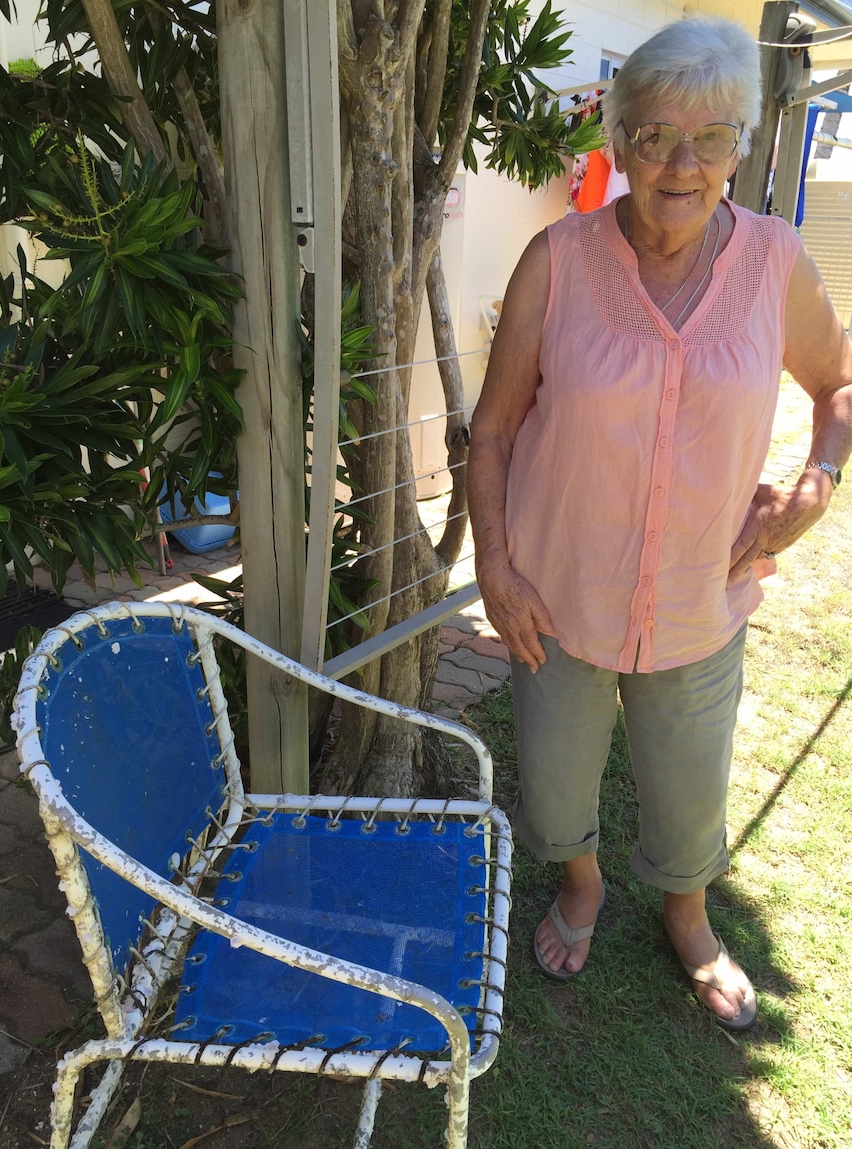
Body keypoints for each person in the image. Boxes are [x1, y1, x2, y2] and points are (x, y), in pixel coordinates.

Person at [467, 16, 852, 1031]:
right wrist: (494, 566)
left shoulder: (774, 263)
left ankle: (687, 913)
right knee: (553, 791)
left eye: (711, 138)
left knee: (689, 790)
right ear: (618, 140)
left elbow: (838, 382)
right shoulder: (555, 260)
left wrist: (815, 484)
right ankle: (584, 883)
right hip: (554, 597)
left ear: (742, 145)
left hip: (698, 598)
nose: (681, 164)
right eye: (653, 136)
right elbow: (496, 430)